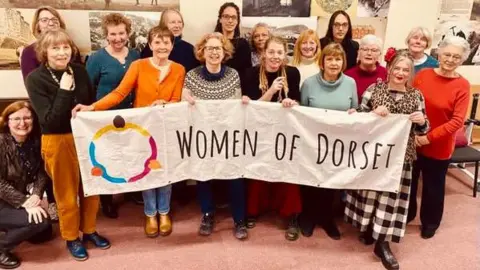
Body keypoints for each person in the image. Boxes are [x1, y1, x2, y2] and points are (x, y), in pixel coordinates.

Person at [73, 26, 185, 239]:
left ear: (172, 45)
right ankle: (150, 213)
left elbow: (175, 99)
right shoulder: (138, 65)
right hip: (142, 129)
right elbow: (120, 93)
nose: (162, 46)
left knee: (166, 171)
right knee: (146, 168)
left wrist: (166, 104)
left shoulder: (179, 69)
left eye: (166, 42)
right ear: (150, 45)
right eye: (157, 42)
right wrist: (92, 108)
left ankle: (164, 212)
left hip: (166, 126)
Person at [25, 29, 110, 261]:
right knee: (66, 194)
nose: (62, 52)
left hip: (85, 136)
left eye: (65, 47)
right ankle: (72, 237)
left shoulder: (81, 72)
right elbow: (49, 120)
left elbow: (90, 104)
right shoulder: (35, 78)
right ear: (45, 51)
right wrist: (64, 89)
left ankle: (90, 230)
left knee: (93, 187)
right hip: (58, 139)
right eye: (55, 48)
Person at [345, 49, 429, 270]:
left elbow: (424, 129)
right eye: (397, 68)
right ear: (389, 69)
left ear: (410, 73)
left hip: (402, 157)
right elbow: (358, 117)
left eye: (406, 70)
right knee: (370, 195)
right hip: (374, 155)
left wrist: (421, 121)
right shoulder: (375, 90)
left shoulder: (416, 95)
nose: (400, 73)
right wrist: (371, 114)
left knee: (391, 199)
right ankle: (368, 229)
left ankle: (383, 244)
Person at [182, 32, 248, 240]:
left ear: (224, 52)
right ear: (202, 52)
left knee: (235, 175)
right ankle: (208, 214)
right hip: (202, 136)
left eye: (218, 48)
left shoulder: (233, 75)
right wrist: (184, 97)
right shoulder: (192, 76)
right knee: (203, 174)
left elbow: (236, 107)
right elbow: (185, 103)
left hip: (228, 136)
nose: (214, 52)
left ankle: (239, 219)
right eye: (209, 48)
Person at [408, 36, 471, 239]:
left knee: (433, 187)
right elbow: (410, 101)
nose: (450, 59)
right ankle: (406, 215)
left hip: (439, 146)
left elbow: (457, 121)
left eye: (456, 57)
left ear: (462, 60)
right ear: (439, 54)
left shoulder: (462, 85)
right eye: (447, 54)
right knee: (408, 182)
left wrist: (428, 137)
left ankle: (430, 222)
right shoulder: (423, 75)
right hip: (413, 142)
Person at [242, 36, 302, 241]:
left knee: (288, 171)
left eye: (279, 53)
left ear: (284, 55)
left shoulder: (292, 73)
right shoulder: (250, 73)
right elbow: (252, 107)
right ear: (263, 53)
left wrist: (290, 101)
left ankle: (292, 214)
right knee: (258, 170)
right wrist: (271, 91)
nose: (275, 57)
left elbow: (298, 102)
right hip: (259, 130)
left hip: (284, 131)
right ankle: (253, 210)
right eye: (271, 52)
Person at [299, 43, 357, 240]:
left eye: (338, 59)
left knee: (331, 182)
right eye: (329, 59)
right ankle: (307, 217)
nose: (334, 63)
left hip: (338, 143)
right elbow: (302, 113)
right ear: (322, 62)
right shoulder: (308, 84)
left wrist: (353, 114)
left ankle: (326, 218)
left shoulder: (350, 83)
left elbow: (355, 110)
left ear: (343, 62)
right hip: (312, 142)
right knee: (310, 180)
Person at [86, 13, 141, 219]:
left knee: (131, 154)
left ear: (128, 34)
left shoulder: (136, 55)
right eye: (113, 34)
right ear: (106, 35)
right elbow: (89, 88)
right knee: (107, 157)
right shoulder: (96, 58)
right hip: (105, 116)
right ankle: (106, 200)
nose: (117, 38)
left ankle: (132, 191)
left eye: (121, 33)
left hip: (132, 115)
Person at [0, 101, 53, 269]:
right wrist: (24, 202)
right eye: (16, 118)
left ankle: (11, 224)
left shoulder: (34, 142)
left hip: (13, 199)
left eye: (27, 118)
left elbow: (41, 173)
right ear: (7, 121)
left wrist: (36, 195)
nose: (22, 123)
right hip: (2, 200)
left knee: (43, 234)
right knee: (39, 223)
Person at [21, 6, 82, 80]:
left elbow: (80, 78)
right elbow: (32, 86)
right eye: (44, 20)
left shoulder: (71, 47)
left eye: (54, 19)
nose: (50, 23)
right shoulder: (29, 52)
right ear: (38, 26)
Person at [214, 2, 252, 81]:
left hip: (237, 87)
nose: (230, 20)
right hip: (215, 85)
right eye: (226, 16)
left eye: (234, 17)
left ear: (237, 21)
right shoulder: (213, 42)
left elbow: (247, 72)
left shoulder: (243, 44)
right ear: (220, 19)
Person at [345, 34, 388, 100]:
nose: (369, 53)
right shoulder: (348, 75)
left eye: (374, 50)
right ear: (359, 52)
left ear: (380, 54)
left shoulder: (386, 74)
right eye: (365, 49)